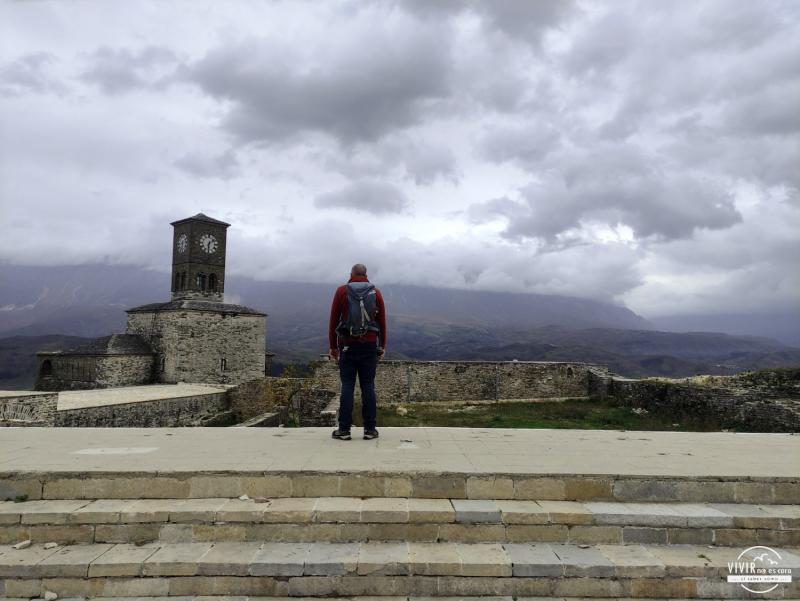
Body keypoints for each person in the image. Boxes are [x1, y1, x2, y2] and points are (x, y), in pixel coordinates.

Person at [328, 263, 387, 440]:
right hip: (369, 345)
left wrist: (333, 347)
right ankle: (369, 429)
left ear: (351, 274)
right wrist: (382, 345)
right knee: (368, 386)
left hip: (347, 344)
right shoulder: (376, 292)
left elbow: (333, 320)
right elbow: (382, 321)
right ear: (366, 274)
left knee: (347, 386)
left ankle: (344, 430)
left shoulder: (341, 291)